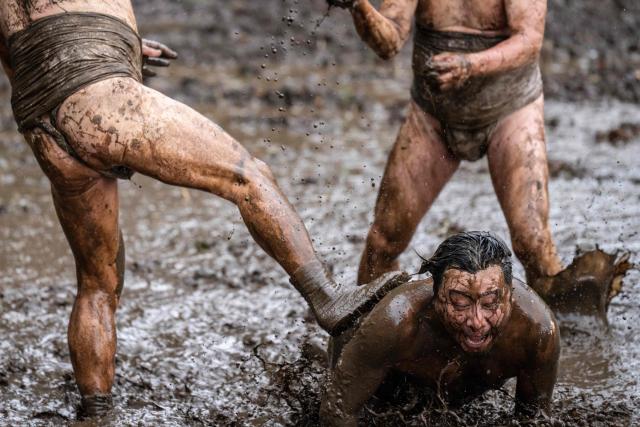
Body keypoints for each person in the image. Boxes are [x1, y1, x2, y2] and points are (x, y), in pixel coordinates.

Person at [0, 0, 404, 416]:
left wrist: (116, 46)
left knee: (96, 284)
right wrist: (95, 60)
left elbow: (26, 49)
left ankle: (96, 412)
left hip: (43, 123)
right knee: (249, 176)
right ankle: (328, 299)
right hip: (97, 94)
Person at [327, 0, 619, 310]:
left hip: (510, 109)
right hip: (433, 113)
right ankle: (364, 337)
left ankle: (564, 336)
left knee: (532, 242)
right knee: (384, 241)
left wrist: (470, 66)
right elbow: (389, 42)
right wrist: (360, 7)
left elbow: (529, 41)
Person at [321, 231, 560, 426]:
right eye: (459, 302)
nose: (476, 322)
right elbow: (337, 411)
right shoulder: (396, 323)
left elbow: (534, 419)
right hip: (381, 380)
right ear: (435, 296)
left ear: (509, 296)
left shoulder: (537, 332)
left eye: (489, 303)